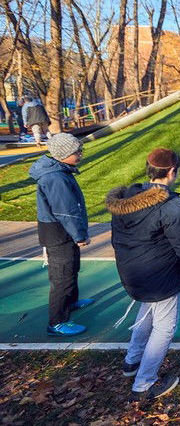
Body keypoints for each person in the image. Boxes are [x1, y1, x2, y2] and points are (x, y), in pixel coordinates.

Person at [106, 148, 180, 402]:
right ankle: (144, 383)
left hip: (131, 272)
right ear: (172, 172)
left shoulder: (127, 197)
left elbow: (116, 238)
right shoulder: (172, 206)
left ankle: (132, 361)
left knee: (148, 313)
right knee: (165, 327)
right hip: (158, 274)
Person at [28, 133, 94, 336]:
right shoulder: (55, 178)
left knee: (72, 268)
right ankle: (56, 322)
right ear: (64, 154)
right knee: (62, 277)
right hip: (59, 233)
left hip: (63, 232)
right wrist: (79, 235)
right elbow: (66, 211)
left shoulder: (60, 171)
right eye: (77, 152)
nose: (81, 154)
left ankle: (71, 302)